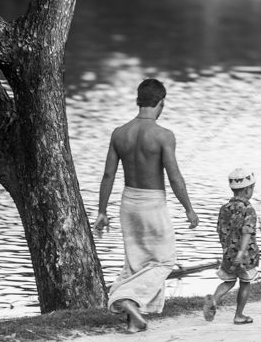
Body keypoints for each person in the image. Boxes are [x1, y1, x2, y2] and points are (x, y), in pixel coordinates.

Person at [94, 78, 200, 333]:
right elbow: (174, 176)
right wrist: (188, 208)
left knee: (136, 261)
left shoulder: (120, 133)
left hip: (128, 202)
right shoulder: (163, 135)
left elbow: (108, 175)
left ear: (138, 101)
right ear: (161, 102)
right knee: (163, 261)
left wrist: (101, 211)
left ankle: (133, 322)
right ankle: (126, 298)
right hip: (152, 202)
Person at [203, 168, 260, 325]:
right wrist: (241, 252)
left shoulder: (224, 209)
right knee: (245, 283)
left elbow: (220, 230)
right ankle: (239, 315)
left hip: (228, 253)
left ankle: (214, 299)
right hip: (245, 255)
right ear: (248, 190)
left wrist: (227, 249)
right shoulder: (248, 209)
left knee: (229, 281)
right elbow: (247, 231)